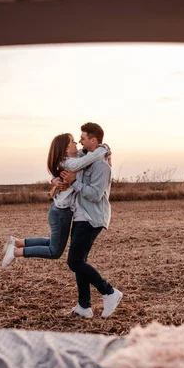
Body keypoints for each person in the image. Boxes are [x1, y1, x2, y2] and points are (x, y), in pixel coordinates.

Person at [1, 133, 111, 268]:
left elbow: (87, 155)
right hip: (61, 213)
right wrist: (104, 149)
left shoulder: (75, 158)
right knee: (55, 251)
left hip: (60, 210)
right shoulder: (70, 162)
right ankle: (16, 252)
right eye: (72, 142)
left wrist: (104, 148)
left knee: (54, 242)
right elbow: (85, 160)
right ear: (65, 148)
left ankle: (17, 243)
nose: (77, 143)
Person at [59, 122, 122, 319]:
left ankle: (109, 292)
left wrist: (74, 182)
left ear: (94, 140)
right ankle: (84, 306)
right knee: (80, 261)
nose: (80, 141)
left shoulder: (102, 166)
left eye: (83, 138)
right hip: (81, 215)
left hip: (92, 217)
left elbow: (95, 195)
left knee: (75, 261)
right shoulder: (87, 159)